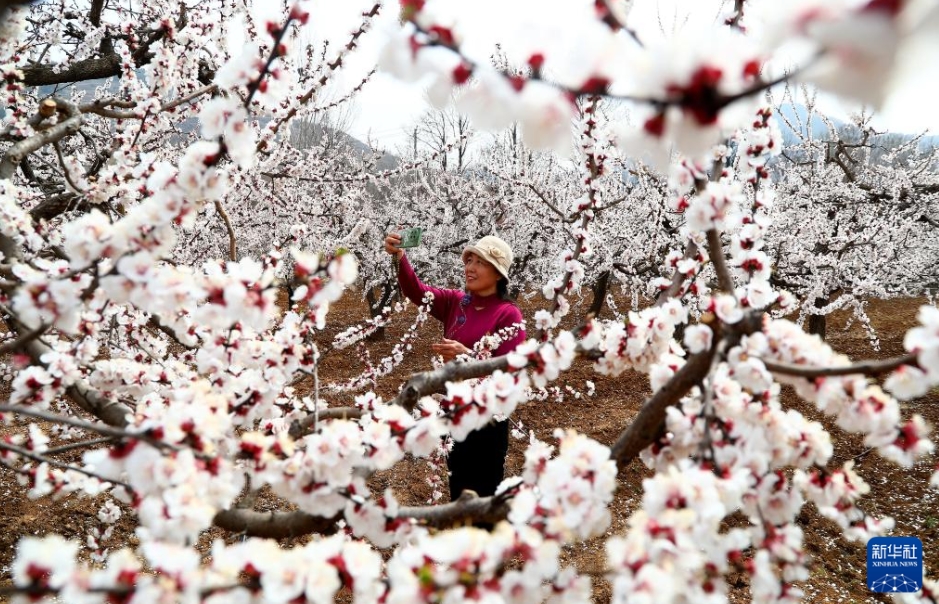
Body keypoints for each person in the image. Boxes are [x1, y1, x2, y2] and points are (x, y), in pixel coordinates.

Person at [384, 231, 526, 503]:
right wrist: (400, 257)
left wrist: (467, 357)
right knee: (458, 492)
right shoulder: (456, 302)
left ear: (498, 273)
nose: (470, 268)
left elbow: (511, 374)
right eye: (469, 261)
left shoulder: (508, 314)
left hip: (486, 421)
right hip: (454, 413)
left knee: (482, 498)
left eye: (480, 262)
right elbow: (417, 292)